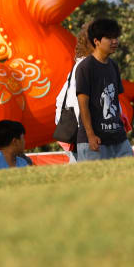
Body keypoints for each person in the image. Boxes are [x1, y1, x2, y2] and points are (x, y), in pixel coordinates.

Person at [75, 18, 134, 161]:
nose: (115, 41)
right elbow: (83, 104)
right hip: (94, 141)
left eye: (116, 37)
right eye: (109, 38)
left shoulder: (113, 65)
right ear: (96, 41)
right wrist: (90, 135)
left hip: (118, 139)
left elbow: (115, 101)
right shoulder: (85, 67)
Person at [55, 21, 94, 162]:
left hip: (79, 134)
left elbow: (60, 100)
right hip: (84, 135)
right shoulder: (85, 66)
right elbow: (78, 102)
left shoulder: (82, 65)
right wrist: (89, 132)